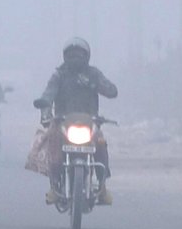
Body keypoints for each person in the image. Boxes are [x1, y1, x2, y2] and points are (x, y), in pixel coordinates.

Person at [28, 37, 118, 204]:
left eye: (79, 55)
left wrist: (94, 85)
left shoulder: (94, 74)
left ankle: (102, 186)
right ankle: (54, 186)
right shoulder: (59, 75)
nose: (75, 59)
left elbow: (112, 91)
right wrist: (44, 104)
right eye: (71, 55)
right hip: (62, 122)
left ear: (87, 56)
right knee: (53, 145)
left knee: (101, 144)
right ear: (65, 57)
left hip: (90, 122)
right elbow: (49, 92)